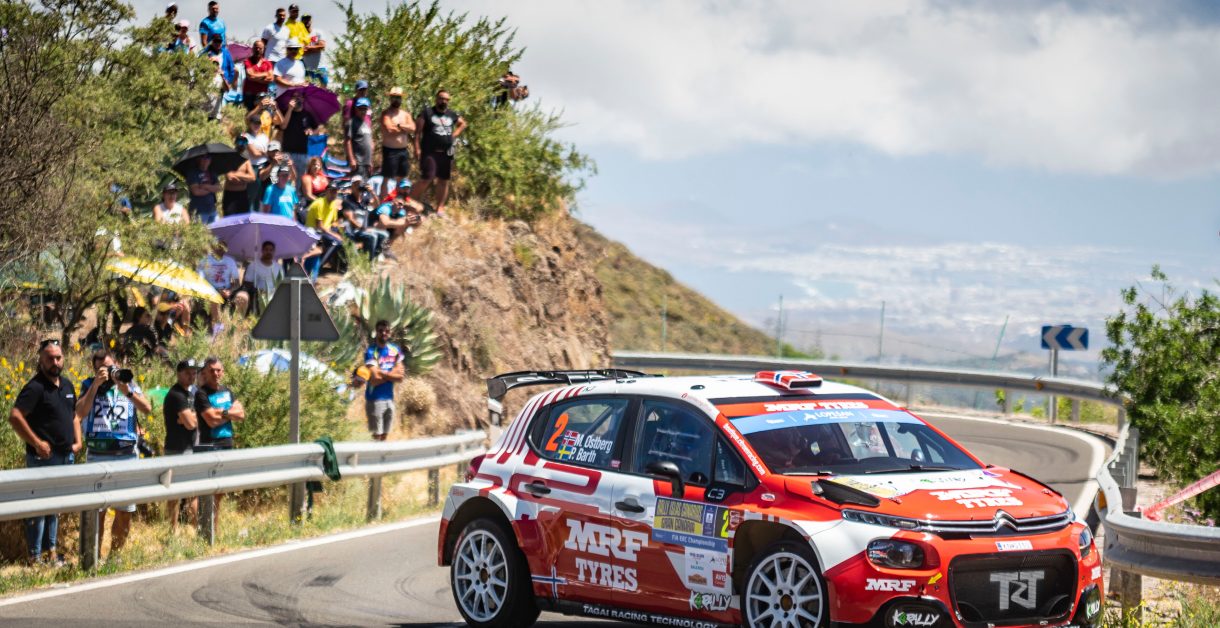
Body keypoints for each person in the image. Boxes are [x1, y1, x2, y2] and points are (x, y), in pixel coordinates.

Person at [9, 339, 81, 565]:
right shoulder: (35, 387)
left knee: (54, 507)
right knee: (39, 508)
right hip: (43, 459)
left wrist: (78, 442)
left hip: (65, 457)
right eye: (50, 358)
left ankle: (51, 553)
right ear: (41, 360)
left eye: (58, 357)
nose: (55, 362)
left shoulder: (67, 385)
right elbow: (15, 416)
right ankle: (35, 557)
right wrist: (37, 443)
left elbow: (73, 415)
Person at [77, 350, 152, 557]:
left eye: (110, 367)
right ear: (94, 369)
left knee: (125, 512)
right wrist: (95, 385)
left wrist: (127, 391)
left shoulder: (128, 383)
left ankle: (114, 558)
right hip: (97, 455)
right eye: (102, 368)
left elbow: (147, 409)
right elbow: (79, 412)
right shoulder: (88, 384)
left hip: (126, 455)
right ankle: (93, 558)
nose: (108, 372)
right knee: (97, 512)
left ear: (117, 364)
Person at [194, 357, 246, 527]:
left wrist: (221, 413)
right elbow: (211, 421)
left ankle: (213, 529)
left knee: (220, 491)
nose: (215, 373)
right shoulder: (201, 394)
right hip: (209, 445)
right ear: (205, 373)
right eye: (211, 370)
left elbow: (241, 414)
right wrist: (229, 413)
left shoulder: (227, 391)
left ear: (222, 372)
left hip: (226, 444)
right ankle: (203, 528)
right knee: (208, 492)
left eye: (218, 370)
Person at [413, 90, 466, 215]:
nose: (444, 101)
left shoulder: (452, 114)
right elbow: (417, 133)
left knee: (443, 180)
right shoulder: (427, 113)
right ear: (436, 99)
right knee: (427, 178)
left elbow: (463, 124)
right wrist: (416, 148)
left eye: (446, 99)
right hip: (429, 151)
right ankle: (410, 200)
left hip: (446, 153)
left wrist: (454, 135)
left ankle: (440, 207)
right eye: (441, 98)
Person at [163, 359, 199, 533]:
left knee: (193, 492)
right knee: (175, 494)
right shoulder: (176, 395)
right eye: (187, 373)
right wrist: (192, 418)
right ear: (178, 374)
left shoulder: (190, 394)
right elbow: (191, 424)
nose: (191, 376)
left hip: (190, 448)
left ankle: (193, 530)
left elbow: (193, 420)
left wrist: (191, 417)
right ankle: (173, 531)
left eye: (194, 373)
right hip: (176, 450)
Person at [363, 320, 404, 441]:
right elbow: (374, 379)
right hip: (374, 400)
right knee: (377, 437)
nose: (384, 333)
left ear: (390, 333)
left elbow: (400, 377)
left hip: (389, 399)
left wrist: (382, 373)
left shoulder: (394, 350)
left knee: (385, 437)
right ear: (376, 332)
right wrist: (392, 374)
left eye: (387, 331)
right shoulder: (371, 351)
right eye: (381, 331)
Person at [198, 243, 244, 333]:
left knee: (242, 298)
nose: (220, 250)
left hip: (225, 290)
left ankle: (237, 329)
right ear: (213, 248)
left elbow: (237, 283)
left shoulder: (230, 261)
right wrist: (213, 291)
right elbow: (199, 281)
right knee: (215, 299)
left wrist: (229, 290)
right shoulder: (205, 260)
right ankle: (218, 331)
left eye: (223, 248)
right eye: (218, 247)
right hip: (209, 290)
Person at [304, 183, 344, 279]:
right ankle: (319, 266)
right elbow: (320, 226)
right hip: (313, 230)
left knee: (345, 237)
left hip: (325, 229)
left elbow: (334, 222)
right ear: (326, 191)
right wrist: (335, 235)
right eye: (332, 191)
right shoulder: (319, 203)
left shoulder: (333, 204)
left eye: (335, 192)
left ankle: (338, 266)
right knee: (334, 242)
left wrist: (340, 227)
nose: (334, 194)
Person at [379, 87, 414, 197]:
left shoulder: (405, 114)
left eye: (398, 97)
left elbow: (413, 128)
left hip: (403, 150)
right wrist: (404, 128)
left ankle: (398, 199)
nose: (396, 100)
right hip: (390, 151)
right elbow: (389, 129)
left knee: (402, 177)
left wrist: (399, 125)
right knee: (386, 178)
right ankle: (383, 201)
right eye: (394, 97)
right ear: (390, 98)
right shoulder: (386, 114)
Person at [341, 178, 386, 261]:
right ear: (352, 186)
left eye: (360, 184)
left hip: (363, 229)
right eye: (356, 184)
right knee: (372, 236)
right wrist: (364, 229)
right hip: (353, 231)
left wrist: (372, 192)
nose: (358, 186)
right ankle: (369, 263)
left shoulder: (364, 199)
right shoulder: (347, 200)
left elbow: (377, 205)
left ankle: (374, 257)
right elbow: (350, 220)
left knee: (383, 235)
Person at [278, 89, 317, 182]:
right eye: (294, 97)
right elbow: (283, 126)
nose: (296, 99)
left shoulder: (308, 115)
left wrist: (311, 131)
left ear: (303, 98)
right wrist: (290, 109)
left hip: (302, 153)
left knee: (299, 180)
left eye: (298, 96)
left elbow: (315, 129)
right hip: (287, 152)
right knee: (285, 180)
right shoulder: (286, 112)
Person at [201, 33, 235, 120]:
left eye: (219, 41)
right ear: (212, 42)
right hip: (207, 82)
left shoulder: (225, 53)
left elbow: (231, 69)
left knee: (217, 107)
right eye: (215, 41)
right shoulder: (205, 53)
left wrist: (227, 80)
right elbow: (199, 67)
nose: (217, 43)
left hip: (220, 83)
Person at [242, 240, 284, 308]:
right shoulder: (253, 266)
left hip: (275, 301)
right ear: (262, 251)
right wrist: (258, 291)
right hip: (257, 300)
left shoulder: (279, 267)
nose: (269, 252)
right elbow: (247, 284)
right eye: (266, 250)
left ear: (274, 251)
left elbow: (281, 285)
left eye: (271, 250)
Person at [223, 136, 257, 216]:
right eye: (240, 142)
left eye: (245, 143)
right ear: (235, 143)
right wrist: (245, 178)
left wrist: (237, 174)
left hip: (242, 195)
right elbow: (230, 178)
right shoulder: (228, 159)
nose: (242, 145)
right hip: (230, 195)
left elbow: (253, 177)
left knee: (243, 220)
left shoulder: (246, 161)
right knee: (229, 220)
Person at [187, 154, 221, 225]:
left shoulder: (212, 173)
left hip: (212, 210)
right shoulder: (193, 173)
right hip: (198, 211)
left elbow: (219, 188)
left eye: (208, 157)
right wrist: (212, 189)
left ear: (210, 160)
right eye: (203, 157)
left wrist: (205, 186)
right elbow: (196, 191)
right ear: (199, 159)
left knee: (217, 231)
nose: (206, 160)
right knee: (199, 231)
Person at [241, 42, 273, 111]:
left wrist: (255, 77)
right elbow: (250, 76)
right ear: (252, 48)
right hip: (249, 94)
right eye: (256, 48)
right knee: (248, 115)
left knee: (261, 116)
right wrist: (265, 74)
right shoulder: (248, 61)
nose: (258, 50)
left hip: (262, 95)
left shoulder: (268, 63)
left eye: (260, 48)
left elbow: (271, 79)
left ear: (263, 50)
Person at [346, 98, 374, 179]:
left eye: (364, 109)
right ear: (356, 109)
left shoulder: (366, 124)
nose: (363, 111)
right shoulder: (352, 123)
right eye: (360, 109)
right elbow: (348, 141)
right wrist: (352, 159)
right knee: (357, 185)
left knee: (365, 185)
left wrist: (370, 161)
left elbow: (370, 143)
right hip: (358, 163)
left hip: (366, 163)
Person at [300, 15, 326, 84]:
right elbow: (301, 52)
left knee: (324, 84)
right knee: (311, 87)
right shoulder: (300, 36)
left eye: (308, 19)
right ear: (301, 22)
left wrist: (309, 48)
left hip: (320, 66)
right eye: (305, 20)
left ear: (311, 21)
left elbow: (322, 46)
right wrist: (316, 47)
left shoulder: (318, 32)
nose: (307, 21)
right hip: (308, 68)